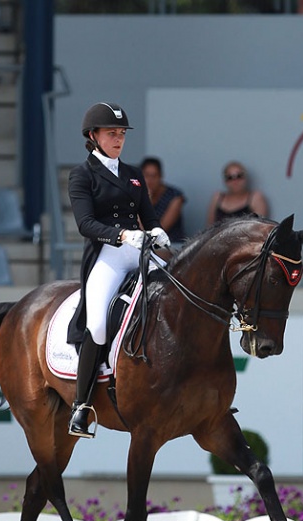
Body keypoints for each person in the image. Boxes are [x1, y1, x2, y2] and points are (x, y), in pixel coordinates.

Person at [66, 102, 170, 438]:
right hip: (107, 254)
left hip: (139, 249)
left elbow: (149, 215)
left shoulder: (135, 174)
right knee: (96, 324)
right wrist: (122, 234)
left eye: (122, 133)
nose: (118, 138)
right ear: (93, 136)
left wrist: (156, 230)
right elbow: (85, 223)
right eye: (112, 133)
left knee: (180, 294)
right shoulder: (82, 174)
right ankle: (81, 406)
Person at [206, 161, 269, 227]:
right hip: (219, 237)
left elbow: (260, 229)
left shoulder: (256, 198)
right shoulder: (217, 197)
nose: (235, 181)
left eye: (239, 176)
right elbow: (209, 229)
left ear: (245, 177)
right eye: (230, 177)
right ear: (225, 181)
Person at [140, 156, 186, 244]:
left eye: (154, 176)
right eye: (146, 175)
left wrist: (146, 203)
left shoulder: (175, 196)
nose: (150, 180)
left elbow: (159, 231)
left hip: (171, 245)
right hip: (143, 245)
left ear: (161, 176)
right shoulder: (136, 195)